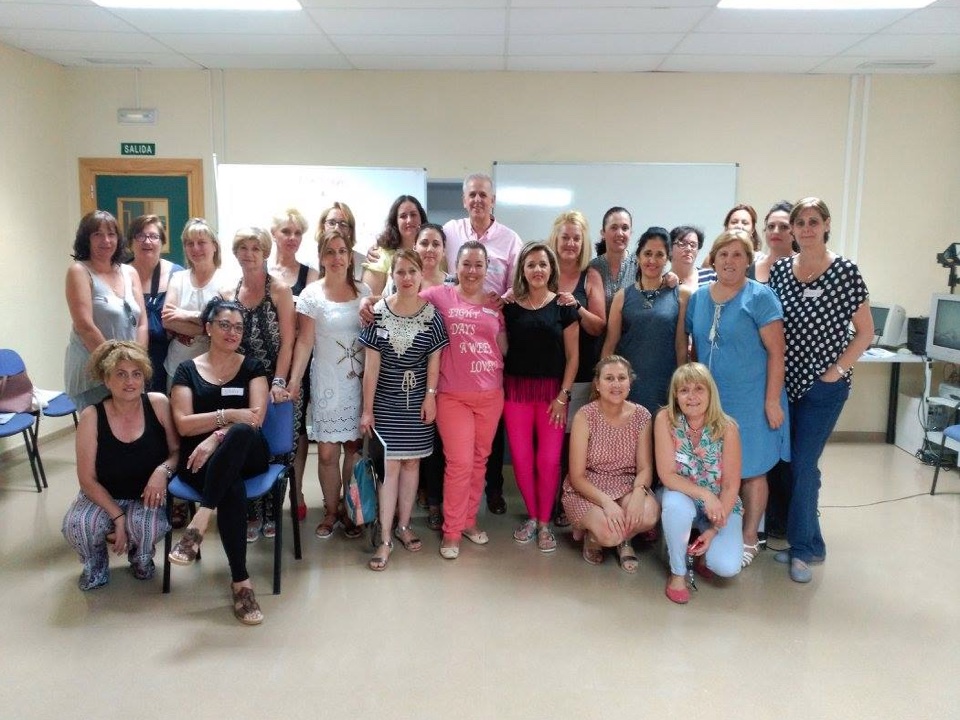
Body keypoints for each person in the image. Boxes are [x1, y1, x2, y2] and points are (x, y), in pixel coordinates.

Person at [768, 197, 873, 584]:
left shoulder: (845, 271)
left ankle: (802, 550)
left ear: (826, 225)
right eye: (801, 222)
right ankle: (813, 543)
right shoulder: (780, 270)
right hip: (785, 385)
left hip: (823, 389)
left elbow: (866, 332)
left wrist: (837, 369)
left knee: (803, 464)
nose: (807, 228)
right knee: (791, 466)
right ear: (792, 230)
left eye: (814, 221)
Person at [683, 229, 789, 568]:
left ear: (748, 260)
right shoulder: (699, 298)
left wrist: (772, 401)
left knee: (753, 468)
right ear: (712, 258)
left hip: (753, 397)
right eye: (723, 254)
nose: (729, 261)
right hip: (714, 400)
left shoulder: (760, 297)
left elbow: (777, 352)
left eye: (738, 255)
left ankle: (748, 535)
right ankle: (714, 526)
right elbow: (695, 348)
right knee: (715, 466)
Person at [167, 298, 271, 626]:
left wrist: (216, 435)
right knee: (232, 488)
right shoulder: (187, 370)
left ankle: (201, 519)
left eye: (238, 327)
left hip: (246, 451)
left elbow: (255, 420)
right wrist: (228, 414)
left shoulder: (253, 367)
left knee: (240, 431)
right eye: (224, 325)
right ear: (208, 328)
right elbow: (183, 424)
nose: (232, 332)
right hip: (199, 462)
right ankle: (241, 583)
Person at [358, 249, 449, 570]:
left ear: (421, 274)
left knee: (412, 465)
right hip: (386, 405)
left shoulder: (433, 315)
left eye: (413, 271)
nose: (407, 278)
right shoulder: (378, 313)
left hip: (417, 405)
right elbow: (371, 366)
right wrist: (367, 410)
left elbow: (434, 361)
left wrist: (431, 396)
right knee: (390, 469)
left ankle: (404, 525)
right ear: (392, 275)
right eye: (400, 272)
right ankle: (384, 539)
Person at [62, 340, 178, 590]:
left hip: (146, 495)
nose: (130, 382)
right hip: (103, 495)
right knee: (78, 525)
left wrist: (162, 470)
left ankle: (141, 557)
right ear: (106, 380)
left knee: (147, 526)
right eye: (121, 374)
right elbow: (87, 479)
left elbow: (177, 452)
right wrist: (117, 517)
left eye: (137, 374)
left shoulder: (158, 403)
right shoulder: (91, 417)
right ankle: (96, 563)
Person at [441, 173, 522, 516]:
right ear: (464, 200)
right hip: (454, 336)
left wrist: (499, 301)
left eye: (483, 196)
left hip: (491, 336)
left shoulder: (510, 238)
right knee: (455, 442)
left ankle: (493, 490)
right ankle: (447, 504)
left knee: (490, 428)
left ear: (493, 201)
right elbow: (425, 261)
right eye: (472, 195)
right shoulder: (449, 232)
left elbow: (516, 283)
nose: (477, 200)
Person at [420, 241, 507, 560]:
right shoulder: (439, 295)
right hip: (452, 395)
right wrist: (370, 303)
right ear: (455, 266)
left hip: (491, 394)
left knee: (480, 460)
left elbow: (503, 347)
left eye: (478, 265)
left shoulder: (495, 304)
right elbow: (402, 304)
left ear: (487, 269)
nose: (472, 271)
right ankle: (452, 531)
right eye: (466, 264)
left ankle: (469, 520)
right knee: (459, 463)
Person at [287, 228, 370, 541]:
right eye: (330, 252)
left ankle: (351, 511)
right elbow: (304, 341)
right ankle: (331, 511)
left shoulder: (364, 293)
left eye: (342, 251)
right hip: (327, 384)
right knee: (325, 454)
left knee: (353, 450)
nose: (337, 258)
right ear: (321, 258)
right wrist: (294, 381)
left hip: (358, 384)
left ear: (350, 256)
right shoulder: (311, 295)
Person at [220, 226, 295, 542]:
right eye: (243, 248)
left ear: (265, 252)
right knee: (243, 449)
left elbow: (289, 342)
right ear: (235, 253)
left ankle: (272, 513)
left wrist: (278, 381)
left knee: (275, 453)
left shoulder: (279, 291)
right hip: (241, 386)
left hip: (275, 386)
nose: (249, 254)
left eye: (255, 248)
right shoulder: (228, 295)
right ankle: (249, 512)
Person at [503, 243, 579, 553]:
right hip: (517, 393)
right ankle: (533, 517)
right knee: (521, 459)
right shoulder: (509, 307)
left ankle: (546, 521)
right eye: (531, 264)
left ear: (551, 270)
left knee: (548, 461)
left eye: (542, 265)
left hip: (552, 396)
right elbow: (504, 348)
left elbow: (573, 358)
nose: (537, 270)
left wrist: (563, 395)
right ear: (522, 269)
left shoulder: (564, 307)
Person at [655, 363, 744, 604]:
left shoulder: (728, 428)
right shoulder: (665, 419)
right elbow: (667, 474)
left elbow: (730, 486)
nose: (691, 396)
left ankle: (704, 550)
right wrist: (705, 495)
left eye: (699, 389)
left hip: (721, 505)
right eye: (684, 390)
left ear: (710, 393)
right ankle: (677, 572)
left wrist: (714, 530)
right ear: (676, 395)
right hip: (683, 495)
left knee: (726, 566)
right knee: (675, 505)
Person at [561, 355, 659, 571]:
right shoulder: (585, 416)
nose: (616, 384)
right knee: (609, 533)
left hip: (625, 484)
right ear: (597, 384)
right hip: (588, 487)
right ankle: (595, 536)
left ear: (630, 382)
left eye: (621, 378)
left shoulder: (642, 415)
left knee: (649, 514)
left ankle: (624, 540)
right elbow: (576, 476)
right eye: (609, 378)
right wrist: (607, 503)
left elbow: (645, 468)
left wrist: (639, 494)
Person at [547, 211, 607, 525]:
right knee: (548, 447)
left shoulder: (591, 276)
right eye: (565, 236)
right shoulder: (541, 269)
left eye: (576, 238)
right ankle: (550, 501)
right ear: (555, 238)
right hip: (545, 376)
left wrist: (576, 305)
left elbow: (599, 326)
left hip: (581, 376)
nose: (570, 243)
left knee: (573, 445)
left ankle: (568, 504)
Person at [64, 210, 147, 411]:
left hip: (129, 370)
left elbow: (142, 322)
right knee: (100, 435)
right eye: (97, 234)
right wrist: (115, 366)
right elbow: (85, 326)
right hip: (95, 372)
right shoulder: (79, 271)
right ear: (86, 239)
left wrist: (137, 363)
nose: (106, 240)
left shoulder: (130, 272)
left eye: (111, 234)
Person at [602, 226, 689, 416]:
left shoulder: (681, 295)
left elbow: (681, 346)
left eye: (659, 255)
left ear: (667, 259)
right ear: (638, 256)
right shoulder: (622, 297)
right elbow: (610, 345)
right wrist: (602, 384)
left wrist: (682, 387)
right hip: (627, 388)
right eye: (647, 253)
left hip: (666, 385)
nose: (652, 260)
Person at [267, 208, 319, 522]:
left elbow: (305, 327)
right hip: (264, 361)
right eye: (286, 231)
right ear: (274, 234)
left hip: (299, 360)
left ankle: (296, 490)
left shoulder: (309, 274)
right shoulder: (261, 269)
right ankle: (266, 495)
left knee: (296, 429)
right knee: (265, 427)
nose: (292, 238)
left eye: (298, 233)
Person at [753, 200, 795, 539]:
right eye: (772, 226)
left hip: (793, 375)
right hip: (755, 376)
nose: (777, 232)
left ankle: (783, 526)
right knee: (758, 453)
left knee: (788, 458)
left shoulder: (802, 269)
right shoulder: (751, 266)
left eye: (784, 226)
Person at [162, 218, 228, 392]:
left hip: (213, 367)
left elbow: (225, 324)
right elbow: (167, 320)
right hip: (177, 365)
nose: (195, 248)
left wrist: (185, 315)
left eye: (201, 242)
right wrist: (208, 329)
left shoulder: (227, 281)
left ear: (214, 246)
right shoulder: (178, 278)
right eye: (189, 243)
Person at [126, 214, 183, 392]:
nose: (147, 242)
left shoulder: (178, 274)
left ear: (162, 242)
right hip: (126, 359)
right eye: (140, 236)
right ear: (131, 242)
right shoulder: (119, 274)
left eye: (153, 236)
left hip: (167, 361)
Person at [362, 195, 428, 295]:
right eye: (403, 216)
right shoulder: (379, 256)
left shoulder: (431, 254)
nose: (409, 220)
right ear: (395, 222)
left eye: (413, 215)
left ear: (421, 218)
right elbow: (370, 300)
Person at [589, 206, 636, 311]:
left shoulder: (641, 266)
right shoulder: (591, 268)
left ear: (631, 233)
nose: (620, 233)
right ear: (603, 233)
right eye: (614, 227)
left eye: (625, 228)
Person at [754, 200, 795, 284]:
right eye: (771, 226)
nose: (775, 231)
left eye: (784, 227)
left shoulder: (804, 267)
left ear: (795, 232)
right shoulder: (749, 269)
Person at [669, 225, 714, 293]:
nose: (689, 249)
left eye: (693, 245)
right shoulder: (662, 283)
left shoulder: (711, 277)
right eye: (682, 244)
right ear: (670, 249)